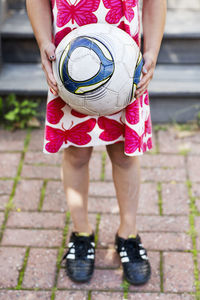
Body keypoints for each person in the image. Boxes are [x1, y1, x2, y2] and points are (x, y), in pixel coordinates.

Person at [26, 0, 166, 285]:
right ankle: (81, 233)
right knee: (76, 154)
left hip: (125, 68)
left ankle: (128, 233)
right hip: (72, 67)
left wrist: (152, 50)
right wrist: (43, 42)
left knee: (125, 155)